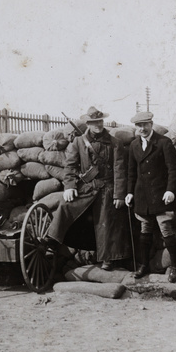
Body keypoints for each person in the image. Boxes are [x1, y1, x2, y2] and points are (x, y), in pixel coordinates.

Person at [47, 106, 130, 270]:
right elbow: (70, 167)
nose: (97, 125)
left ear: (103, 121)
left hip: (107, 187)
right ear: (88, 123)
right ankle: (53, 241)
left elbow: (120, 171)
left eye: (99, 121)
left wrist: (119, 194)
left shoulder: (115, 143)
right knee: (66, 206)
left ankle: (108, 258)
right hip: (86, 187)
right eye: (93, 122)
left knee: (106, 219)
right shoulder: (78, 142)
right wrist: (69, 187)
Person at [125, 111, 176, 282]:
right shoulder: (134, 145)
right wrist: (129, 192)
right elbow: (131, 172)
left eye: (145, 125)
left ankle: (175, 266)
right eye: (139, 125)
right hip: (142, 196)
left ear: (151, 124)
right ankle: (144, 265)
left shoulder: (164, 142)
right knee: (145, 231)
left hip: (161, 194)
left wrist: (170, 190)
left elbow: (173, 169)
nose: (142, 128)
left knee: (165, 229)